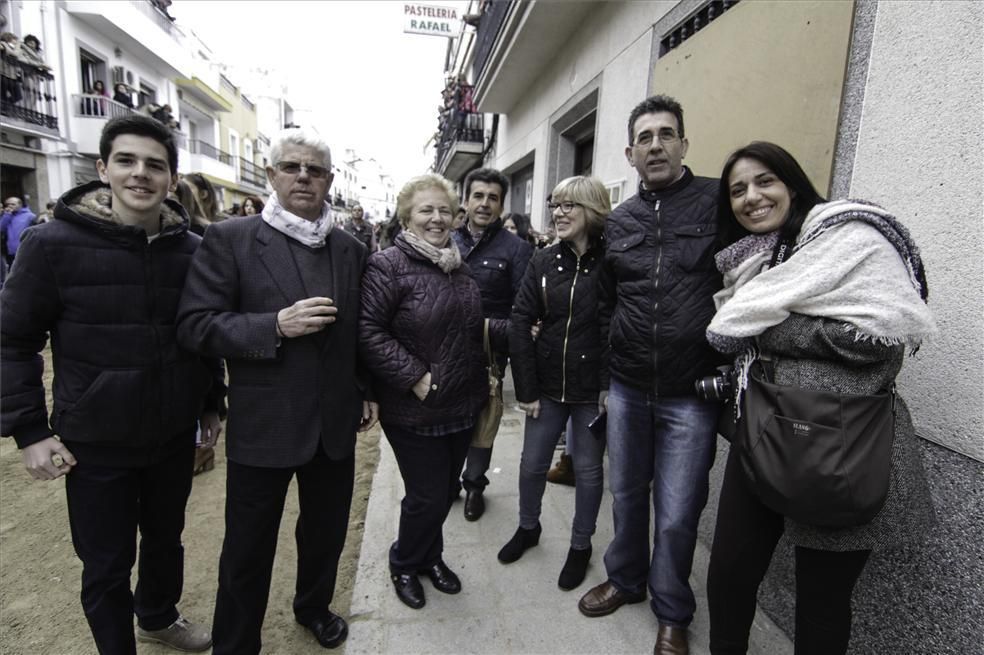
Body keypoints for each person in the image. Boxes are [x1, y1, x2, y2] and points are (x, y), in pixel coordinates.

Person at [0, 114, 223, 654]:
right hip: (96, 441)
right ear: (103, 169)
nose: (140, 174)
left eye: (155, 165)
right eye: (126, 161)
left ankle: (158, 617)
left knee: (166, 541)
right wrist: (29, 431)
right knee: (105, 562)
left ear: (172, 178)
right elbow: (12, 341)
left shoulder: (191, 250)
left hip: (171, 434)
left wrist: (211, 405)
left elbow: (202, 335)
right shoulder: (50, 245)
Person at [704, 142, 937, 655]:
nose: (752, 197)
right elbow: (740, 325)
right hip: (763, 432)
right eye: (738, 190)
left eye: (765, 181)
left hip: (844, 441)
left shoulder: (849, 238)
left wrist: (769, 330)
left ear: (792, 184)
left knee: (823, 599)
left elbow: (876, 340)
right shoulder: (751, 264)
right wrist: (767, 325)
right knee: (728, 575)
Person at [177, 127, 377, 654]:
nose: (304, 177)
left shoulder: (350, 248)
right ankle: (237, 642)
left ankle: (312, 606)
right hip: (265, 423)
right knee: (247, 547)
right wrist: (274, 326)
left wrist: (365, 387)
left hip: (333, 424)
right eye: (292, 167)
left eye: (315, 169)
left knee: (325, 534)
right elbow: (196, 325)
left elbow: (360, 330)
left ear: (330, 180)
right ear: (271, 175)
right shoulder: (232, 239)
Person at [577, 95, 723, 655]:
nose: (656, 144)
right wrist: (610, 378)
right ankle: (625, 579)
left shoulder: (716, 203)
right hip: (629, 388)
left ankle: (672, 610)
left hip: (692, 395)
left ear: (684, 144)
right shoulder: (620, 223)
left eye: (667, 134)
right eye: (645, 137)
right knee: (626, 494)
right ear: (630, 153)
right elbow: (607, 303)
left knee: (679, 511)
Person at [360, 174, 502, 609]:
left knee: (444, 492)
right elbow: (368, 330)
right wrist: (414, 376)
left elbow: (467, 329)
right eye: (426, 210)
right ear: (407, 217)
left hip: (460, 403)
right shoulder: (387, 265)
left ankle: (430, 557)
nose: (437, 218)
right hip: (413, 407)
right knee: (425, 495)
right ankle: (403, 561)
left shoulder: (458, 267)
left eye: (444, 210)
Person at [499, 176, 610, 590]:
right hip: (545, 385)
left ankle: (581, 546)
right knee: (531, 464)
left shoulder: (612, 261)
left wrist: (606, 386)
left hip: (590, 391)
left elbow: (613, 326)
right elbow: (520, 319)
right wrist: (525, 389)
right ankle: (529, 528)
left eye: (570, 205)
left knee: (588, 470)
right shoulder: (543, 260)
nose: (559, 213)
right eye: (556, 205)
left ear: (593, 210)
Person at [452, 167, 533, 521]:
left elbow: (523, 314)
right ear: (466, 200)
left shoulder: (517, 249)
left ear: (501, 204)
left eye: (493, 198)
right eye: (478, 196)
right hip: (442, 352)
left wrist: (484, 328)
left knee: (483, 420)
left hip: (490, 353)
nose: (485, 204)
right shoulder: (445, 239)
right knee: (448, 421)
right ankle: (447, 481)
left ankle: (474, 486)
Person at [1, 196, 36, 266]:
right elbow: (1, 229)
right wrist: (7, 215)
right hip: (10, 252)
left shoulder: (30, 216)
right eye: (8, 204)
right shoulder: (6, 216)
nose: (10, 206)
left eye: (13, 204)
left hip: (25, 251)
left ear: (20, 205)